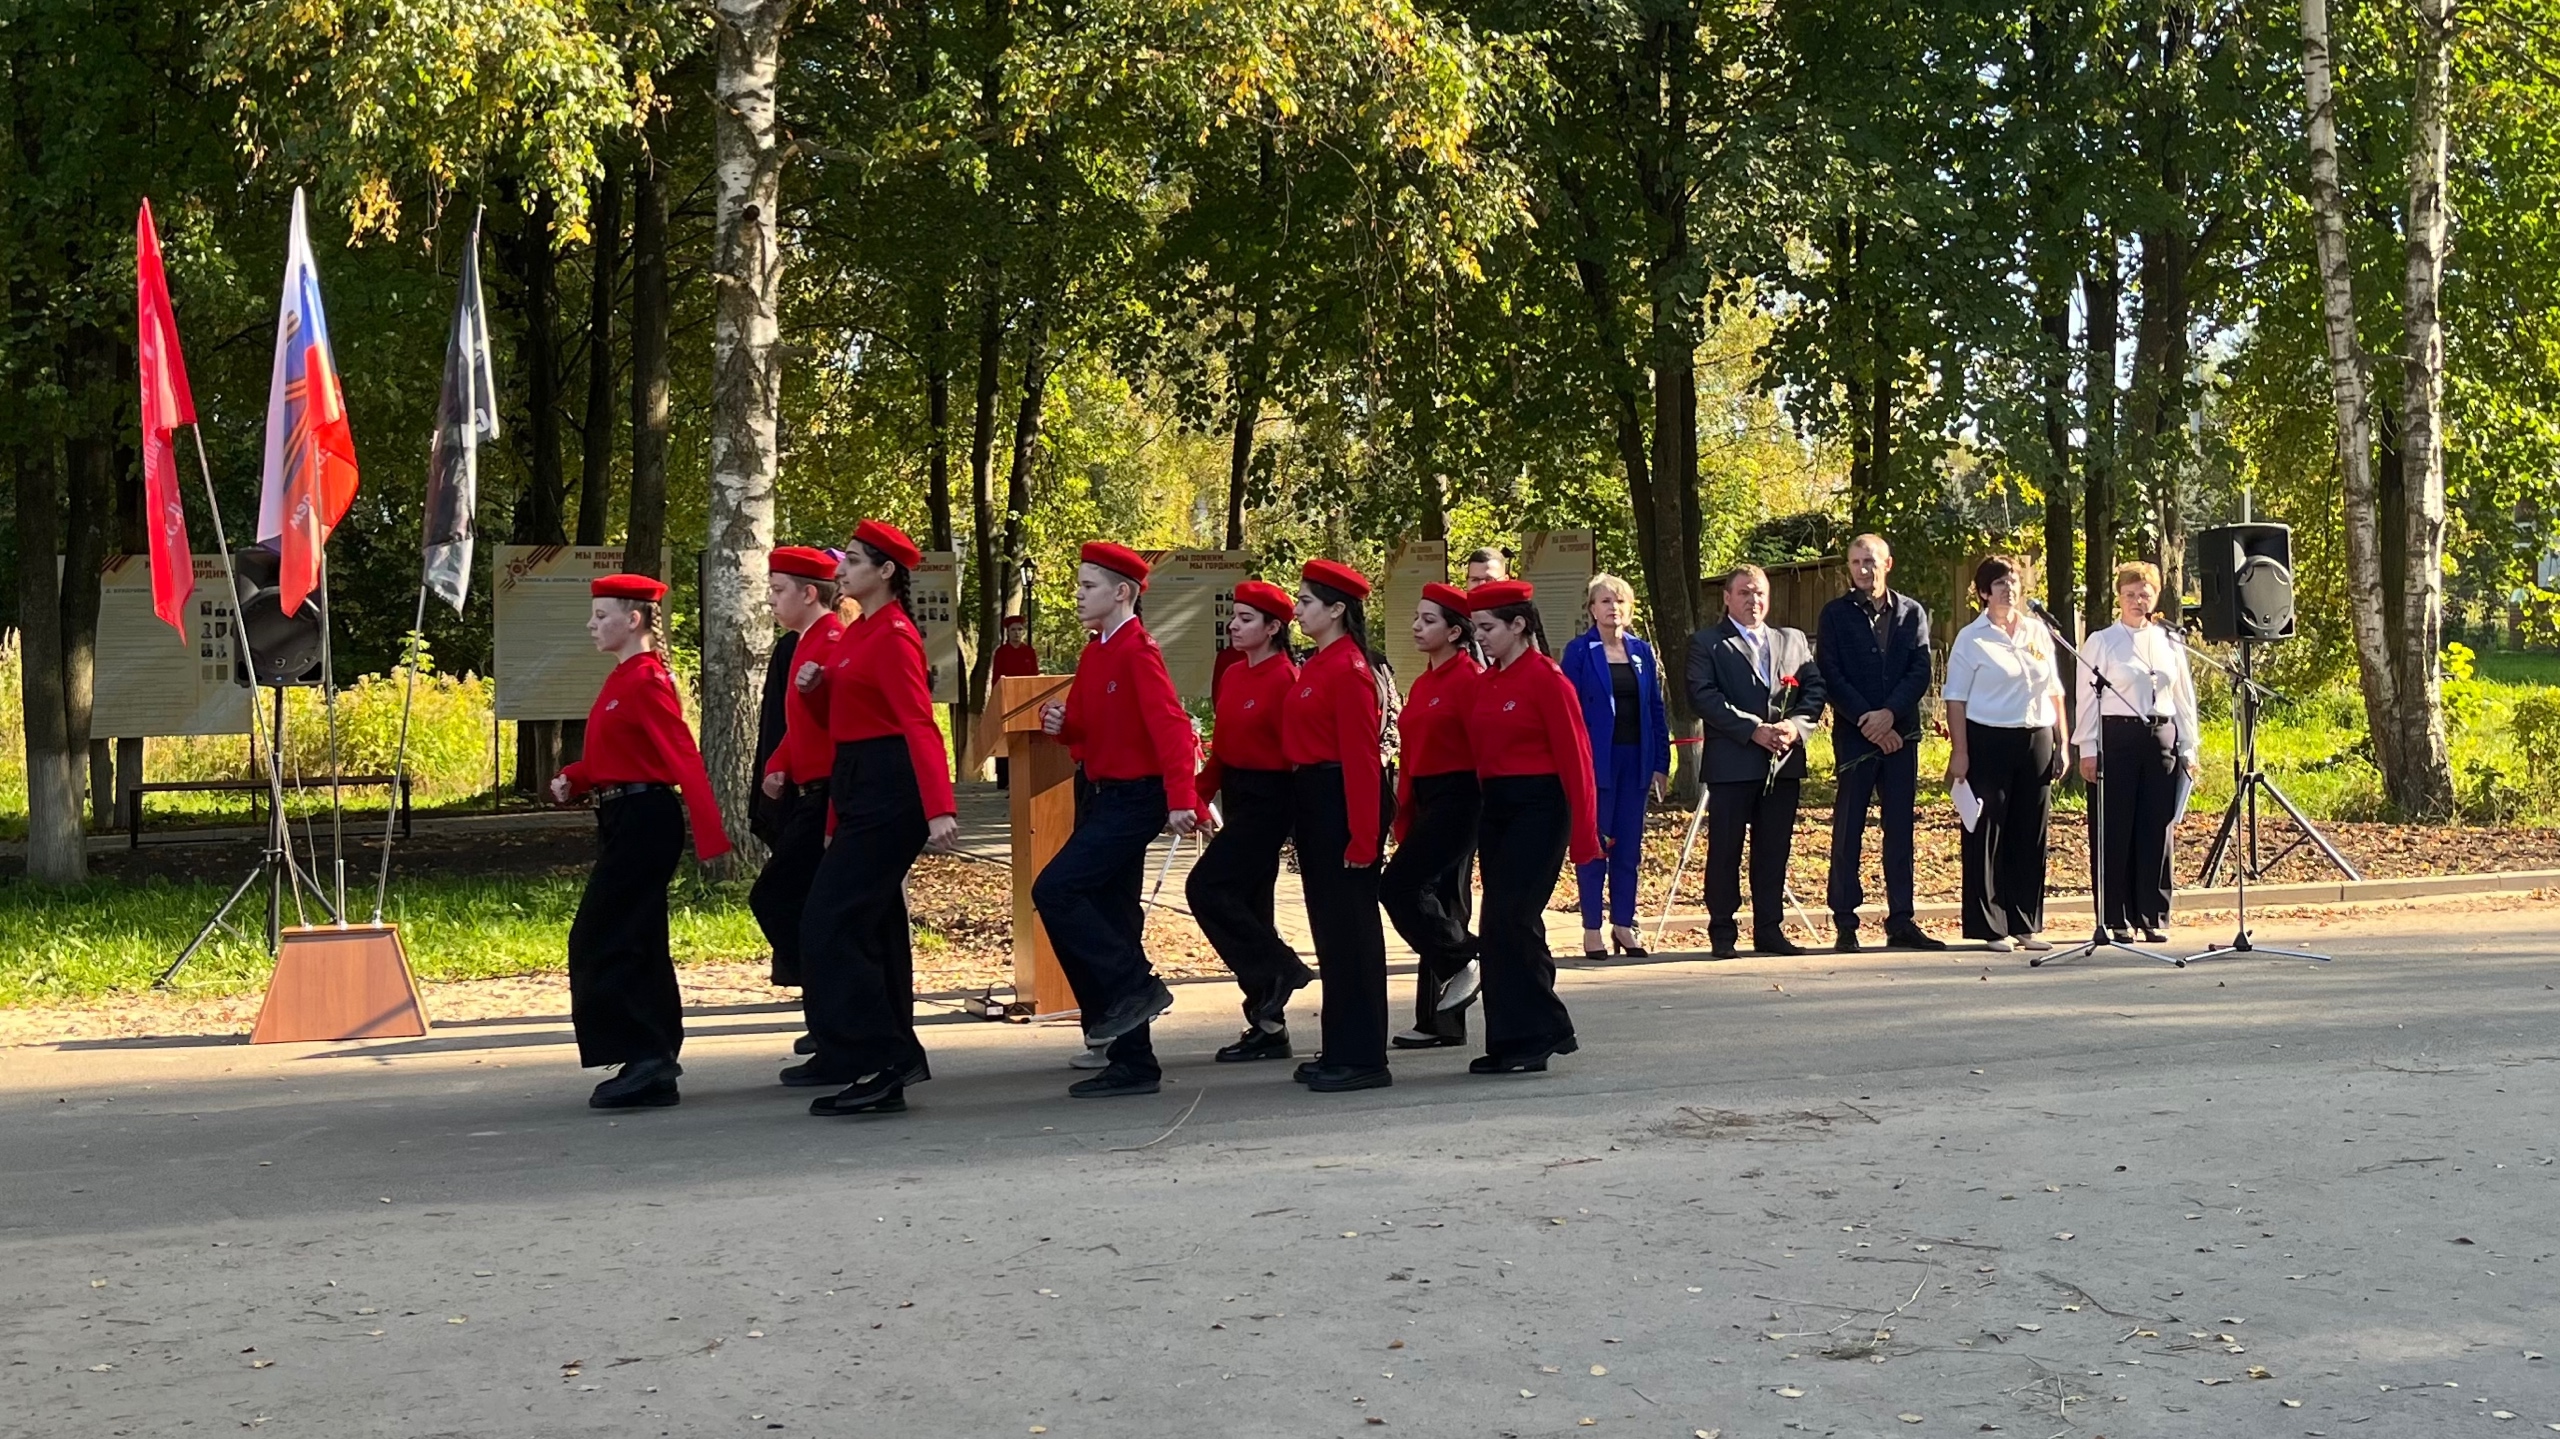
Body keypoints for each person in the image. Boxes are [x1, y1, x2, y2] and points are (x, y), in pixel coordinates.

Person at [789, 521, 962, 1117]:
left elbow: (918, 722)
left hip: (890, 789)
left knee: (830, 923)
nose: (842, 570)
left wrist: (939, 808)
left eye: (856, 561)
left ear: (886, 571)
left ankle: (881, 1059)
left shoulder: (894, 635)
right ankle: (890, 1059)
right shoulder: (859, 632)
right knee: (866, 927)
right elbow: (843, 722)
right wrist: (816, 688)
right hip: (859, 783)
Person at [549, 574, 730, 1110]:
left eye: (601, 615)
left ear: (633, 620)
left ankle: (647, 1056)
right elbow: (622, 754)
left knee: (604, 934)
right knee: (635, 936)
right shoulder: (622, 678)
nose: (591, 624)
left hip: (645, 818)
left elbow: (681, 754)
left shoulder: (647, 679)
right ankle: (651, 1060)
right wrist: (577, 777)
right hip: (624, 815)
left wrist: (711, 835)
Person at [1034, 542, 1207, 1098]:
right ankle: (1133, 1060)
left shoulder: (1137, 650)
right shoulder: (1097, 652)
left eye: (1088, 586)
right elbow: (1087, 728)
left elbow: (1172, 727)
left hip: (1135, 799)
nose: (1078, 595)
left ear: (1122, 593)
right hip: (1100, 794)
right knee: (1112, 916)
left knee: (1056, 890)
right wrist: (1061, 724)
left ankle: (1134, 989)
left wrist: (1182, 799)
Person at [1464, 580, 1601, 1073]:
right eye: (1476, 628)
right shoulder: (1488, 682)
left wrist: (1585, 836)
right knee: (1496, 925)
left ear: (1518, 624)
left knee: (1513, 918)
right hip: (1497, 808)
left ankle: (1543, 1030)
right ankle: (1510, 1038)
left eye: (1487, 627)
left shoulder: (1547, 679)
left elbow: (1577, 761)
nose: (1480, 637)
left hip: (1540, 808)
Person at [1187, 579, 1313, 1062]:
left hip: (1272, 799)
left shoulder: (1287, 679)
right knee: (1252, 909)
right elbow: (1223, 748)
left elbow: (1299, 753)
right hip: (1237, 792)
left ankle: (1281, 969)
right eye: (1233, 617)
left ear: (1273, 627)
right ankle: (1268, 1026)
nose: (1233, 626)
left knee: (1206, 887)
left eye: (1245, 619)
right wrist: (1197, 794)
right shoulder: (1235, 674)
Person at [1284, 558, 1393, 1093]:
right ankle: (1340, 1045)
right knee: (1331, 933)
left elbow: (1361, 758)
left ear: (1336, 610)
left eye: (1306, 601)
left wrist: (1363, 836)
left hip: (1340, 802)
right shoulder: (1320, 664)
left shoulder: (1348, 669)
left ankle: (1363, 1055)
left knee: (1352, 933)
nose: (1297, 610)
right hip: (1316, 800)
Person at [1684, 565, 1826, 959]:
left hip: (1782, 763)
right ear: (1727, 598)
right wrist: (1753, 729)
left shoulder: (1792, 640)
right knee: (1725, 851)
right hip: (1733, 763)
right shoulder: (1707, 643)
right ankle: (1722, 931)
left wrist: (1796, 726)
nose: (1754, 600)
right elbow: (1703, 696)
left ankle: (1769, 929)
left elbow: (1814, 689)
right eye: (1745, 593)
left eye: (1759, 592)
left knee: (1773, 851)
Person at [1814, 534, 1943, 952]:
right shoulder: (1835, 615)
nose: (1863, 569)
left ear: (1887, 564)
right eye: (1855, 562)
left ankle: (1901, 920)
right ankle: (1845, 922)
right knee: (1848, 829)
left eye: (1870, 561)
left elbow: (1919, 670)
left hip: (1900, 736)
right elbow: (1830, 673)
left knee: (1900, 830)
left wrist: (1889, 714)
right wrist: (1868, 720)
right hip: (1855, 737)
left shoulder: (1911, 613)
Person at [1942, 555, 2069, 952]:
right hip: (1989, 739)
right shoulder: (1972, 638)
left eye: (2013, 582)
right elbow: (1955, 699)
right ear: (1984, 592)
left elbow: (2055, 690)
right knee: (1987, 832)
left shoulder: (2037, 631)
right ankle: (1991, 926)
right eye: (1999, 583)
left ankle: (2025, 922)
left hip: (2036, 737)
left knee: (2030, 831)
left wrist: (2062, 741)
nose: (2008, 589)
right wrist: (1960, 751)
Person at [1380, 582, 1485, 1050]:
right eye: (1416, 618)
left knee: (1404, 888)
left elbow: (1485, 749)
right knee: (1435, 903)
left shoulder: (1470, 680)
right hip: (1426, 797)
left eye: (1428, 620)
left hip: (1462, 796)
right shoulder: (1423, 683)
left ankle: (1467, 961)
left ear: (1455, 632)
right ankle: (1440, 1019)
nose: (1416, 627)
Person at [2072, 560, 2200, 944]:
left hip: (2161, 737)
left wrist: (2189, 746)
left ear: (2155, 597)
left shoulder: (2168, 641)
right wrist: (2088, 748)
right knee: (2116, 829)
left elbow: (2183, 698)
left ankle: (2152, 915)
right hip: (2118, 738)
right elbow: (2086, 700)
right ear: (2119, 597)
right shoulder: (2102, 641)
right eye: (2129, 594)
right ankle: (2116, 916)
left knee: (2156, 828)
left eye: (2144, 594)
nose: (2137, 601)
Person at [748, 546, 846, 1050]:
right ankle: (827, 1012)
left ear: (810, 594)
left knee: (779, 897)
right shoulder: (804, 641)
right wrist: (779, 764)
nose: (770, 600)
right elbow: (800, 725)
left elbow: (844, 724)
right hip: (808, 791)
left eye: (778, 590)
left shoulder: (831, 640)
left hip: (828, 796)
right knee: (800, 905)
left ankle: (835, 1008)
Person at [1558, 573, 1670, 958]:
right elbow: (1568, 712)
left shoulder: (1642, 651)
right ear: (1592, 609)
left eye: (1620, 601)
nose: (1614, 608)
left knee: (1628, 849)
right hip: (1595, 763)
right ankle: (1592, 928)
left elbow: (1655, 709)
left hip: (1635, 760)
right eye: (1605, 601)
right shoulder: (1578, 651)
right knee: (1595, 846)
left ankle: (1624, 924)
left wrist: (1661, 763)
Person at [990, 614, 1040, 790]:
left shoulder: (1029, 652)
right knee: (1006, 737)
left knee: (1024, 738)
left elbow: (1035, 675)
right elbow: (997, 678)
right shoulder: (1001, 653)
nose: (1017, 633)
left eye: (1019, 629)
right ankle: (1004, 778)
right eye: (1013, 630)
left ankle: (1026, 776)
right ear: (1007, 632)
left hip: (1026, 700)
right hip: (1008, 700)